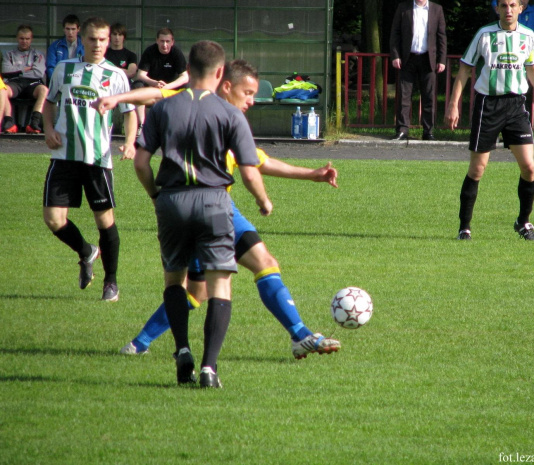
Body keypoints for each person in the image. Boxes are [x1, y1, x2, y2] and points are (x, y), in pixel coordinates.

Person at [95, 59, 341, 362]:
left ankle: (300, 335)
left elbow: (259, 161)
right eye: (247, 92)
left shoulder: (231, 118)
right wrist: (117, 98)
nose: (252, 100)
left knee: (262, 262)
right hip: (199, 208)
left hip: (221, 208)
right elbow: (154, 96)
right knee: (198, 292)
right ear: (226, 85)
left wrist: (312, 174)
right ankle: (142, 343)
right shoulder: (193, 104)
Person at [133, 41, 273, 388]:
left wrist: (155, 195)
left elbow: (140, 162)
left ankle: (182, 351)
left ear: (188, 68)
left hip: (172, 200)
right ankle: (209, 368)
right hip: (214, 202)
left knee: (174, 282)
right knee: (218, 285)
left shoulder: (163, 108)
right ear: (220, 72)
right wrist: (263, 200)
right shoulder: (230, 114)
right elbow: (249, 171)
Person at [42, 17, 137, 302]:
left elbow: (130, 112)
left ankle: (111, 282)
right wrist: (48, 128)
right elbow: (49, 104)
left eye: (103, 39)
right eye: (93, 39)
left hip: (97, 158)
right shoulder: (64, 69)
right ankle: (86, 251)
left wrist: (130, 142)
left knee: (105, 221)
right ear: (82, 39)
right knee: (54, 219)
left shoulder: (117, 75)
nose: (98, 44)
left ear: (109, 41)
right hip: (64, 155)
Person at [446, 0, 534, 241]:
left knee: (529, 167)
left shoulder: (527, 35)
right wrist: (453, 104)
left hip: (516, 106)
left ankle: (524, 222)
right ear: (497, 9)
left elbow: (531, 67)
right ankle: (464, 227)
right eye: (503, 5)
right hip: (489, 105)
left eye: (512, 5)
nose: (508, 10)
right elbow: (464, 69)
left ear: (521, 9)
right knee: (477, 168)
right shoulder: (484, 34)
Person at [389, 0, 447, 141]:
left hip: (428, 59)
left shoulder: (437, 9)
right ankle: (402, 130)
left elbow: (441, 36)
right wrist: (395, 55)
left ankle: (428, 132)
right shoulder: (404, 7)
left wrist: (442, 59)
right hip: (407, 58)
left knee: (429, 97)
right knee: (404, 95)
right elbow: (395, 33)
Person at [133, 28, 189, 133]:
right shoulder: (149, 51)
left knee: (188, 88)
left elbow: (185, 77)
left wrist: (167, 86)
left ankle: (183, 125)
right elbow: (140, 75)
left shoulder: (176, 53)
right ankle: (142, 125)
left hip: (171, 89)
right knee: (137, 86)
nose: (164, 45)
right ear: (157, 41)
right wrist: (154, 83)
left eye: (167, 41)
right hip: (151, 87)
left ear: (172, 42)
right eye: (162, 41)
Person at [1, 25, 48, 134]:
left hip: (33, 83)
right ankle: (9, 122)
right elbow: (5, 71)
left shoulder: (38, 54)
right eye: (22, 38)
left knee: (44, 90)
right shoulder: (9, 54)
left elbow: (38, 73)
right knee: (2, 89)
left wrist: (16, 71)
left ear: (31, 39)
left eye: (27, 39)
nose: (24, 41)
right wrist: (24, 69)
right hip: (15, 83)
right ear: (17, 38)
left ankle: (34, 122)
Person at [46, 14, 84, 81]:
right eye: (68, 29)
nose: (70, 32)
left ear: (78, 29)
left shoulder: (85, 45)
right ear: (64, 29)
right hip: (60, 80)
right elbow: (50, 68)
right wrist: (59, 81)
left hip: (79, 80)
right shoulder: (55, 46)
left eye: (73, 29)